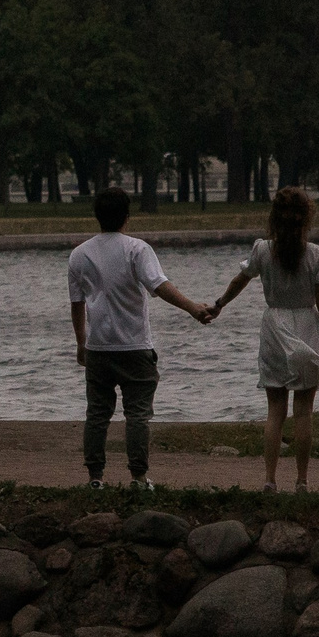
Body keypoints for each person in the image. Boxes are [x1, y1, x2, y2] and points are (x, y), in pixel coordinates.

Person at [68, 187, 215, 489]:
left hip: (98, 347)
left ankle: (95, 478)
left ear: (97, 216)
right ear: (127, 216)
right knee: (137, 415)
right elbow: (159, 285)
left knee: (97, 414)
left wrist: (81, 344)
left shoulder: (79, 254)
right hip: (134, 346)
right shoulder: (136, 249)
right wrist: (192, 308)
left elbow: (77, 304)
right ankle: (138, 477)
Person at [206, 185, 319, 492]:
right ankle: (302, 481)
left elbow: (239, 280)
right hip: (306, 327)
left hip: (274, 328)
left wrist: (218, 305)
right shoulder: (316, 256)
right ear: (306, 218)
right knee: (304, 410)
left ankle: (269, 479)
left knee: (275, 409)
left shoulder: (263, 251)